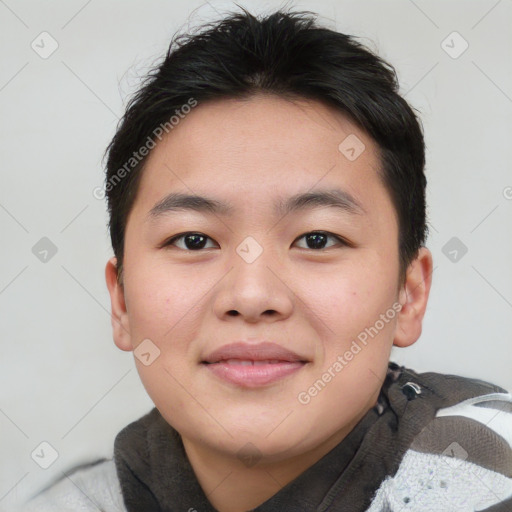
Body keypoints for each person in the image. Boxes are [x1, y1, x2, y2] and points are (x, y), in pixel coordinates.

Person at [20, 7, 512, 512]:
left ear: (409, 294)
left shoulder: (484, 474)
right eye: (193, 241)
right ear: (121, 299)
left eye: (317, 239)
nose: (252, 296)